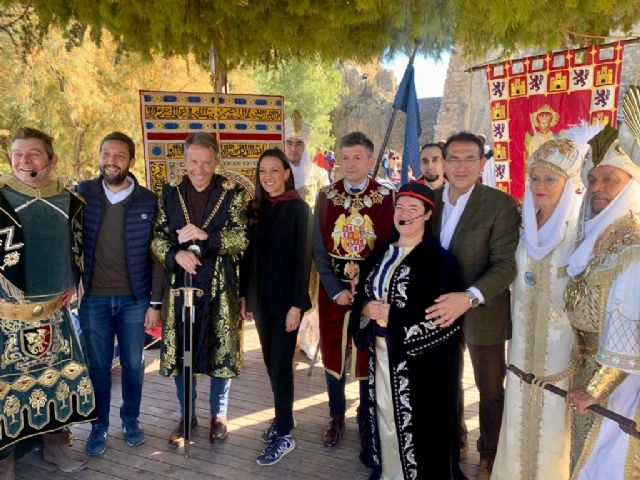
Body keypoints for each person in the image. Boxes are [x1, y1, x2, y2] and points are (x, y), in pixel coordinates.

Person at [491, 126, 601, 480]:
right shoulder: (522, 226)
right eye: (535, 177)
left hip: (561, 349)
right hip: (521, 343)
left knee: (553, 421)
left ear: (568, 183)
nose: (540, 186)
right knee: (519, 413)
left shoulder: (581, 233)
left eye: (550, 179)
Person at [352, 182, 467, 480]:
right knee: (383, 416)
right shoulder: (378, 255)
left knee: (421, 428)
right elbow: (360, 299)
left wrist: (396, 318)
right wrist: (366, 310)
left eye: (413, 209)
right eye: (400, 207)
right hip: (379, 359)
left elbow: (445, 319)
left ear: (428, 214)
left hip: (421, 367)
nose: (404, 214)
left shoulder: (440, 262)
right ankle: (389, 472)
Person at [0, 127, 95, 478]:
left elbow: (77, 248)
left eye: (33, 153)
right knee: (7, 393)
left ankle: (56, 448)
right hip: (6, 318)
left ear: (51, 160)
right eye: (17, 153)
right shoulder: (0, 200)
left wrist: (74, 281)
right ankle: (4, 462)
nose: (24, 161)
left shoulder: (70, 202)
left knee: (59, 384)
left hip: (55, 315)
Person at [426, 132, 520, 480]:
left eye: (469, 159)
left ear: (482, 164)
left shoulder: (500, 204)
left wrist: (469, 297)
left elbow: (505, 264)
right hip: (437, 312)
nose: (461, 166)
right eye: (453, 159)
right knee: (445, 381)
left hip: (483, 310)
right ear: (444, 163)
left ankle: (490, 454)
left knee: (490, 387)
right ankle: (455, 440)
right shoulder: (430, 201)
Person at [151, 132, 248, 448]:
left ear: (216, 161)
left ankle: (218, 416)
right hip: (181, 287)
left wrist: (208, 237)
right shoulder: (169, 193)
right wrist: (175, 254)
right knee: (183, 353)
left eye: (207, 163)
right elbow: (157, 238)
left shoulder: (233, 193)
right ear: (185, 160)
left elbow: (242, 238)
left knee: (221, 351)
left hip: (220, 288)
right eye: (194, 162)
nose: (200, 169)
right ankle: (187, 415)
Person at [77, 132, 164, 456]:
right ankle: (98, 427)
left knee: (133, 364)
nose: (111, 161)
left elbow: (158, 255)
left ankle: (131, 420)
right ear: (99, 156)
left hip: (134, 299)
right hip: (93, 299)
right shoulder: (82, 195)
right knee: (98, 367)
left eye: (119, 156)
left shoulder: (148, 200)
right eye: (106, 154)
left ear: (131, 160)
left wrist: (155, 302)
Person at [564, 106, 640, 479]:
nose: (597, 187)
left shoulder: (633, 244)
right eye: (593, 178)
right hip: (588, 369)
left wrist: (596, 388)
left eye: (609, 178)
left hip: (621, 381)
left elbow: (630, 327)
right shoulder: (597, 238)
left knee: (607, 462)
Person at [313, 131, 394, 458]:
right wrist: (334, 289)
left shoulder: (386, 197)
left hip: (369, 291)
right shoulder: (325, 195)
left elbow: (389, 244)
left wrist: (366, 288)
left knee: (366, 354)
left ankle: (365, 418)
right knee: (333, 353)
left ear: (371, 161)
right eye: (344, 157)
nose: (349, 163)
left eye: (357, 157)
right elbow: (318, 247)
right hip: (332, 290)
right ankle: (336, 415)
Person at [240, 149, 312, 465]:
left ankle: (284, 433)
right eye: (262, 171)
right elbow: (247, 259)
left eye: (274, 170)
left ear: (286, 172)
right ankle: (285, 418)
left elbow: (303, 260)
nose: (267, 176)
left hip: (286, 304)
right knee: (271, 362)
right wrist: (245, 296)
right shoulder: (255, 208)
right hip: (262, 300)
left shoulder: (299, 209)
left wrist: (297, 305)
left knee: (282, 365)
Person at [284, 111, 329, 361]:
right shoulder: (275, 173)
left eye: (298, 143)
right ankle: (285, 338)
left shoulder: (319, 175)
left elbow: (324, 212)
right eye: (289, 143)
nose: (293, 149)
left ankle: (306, 339)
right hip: (281, 247)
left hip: (309, 246)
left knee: (310, 292)